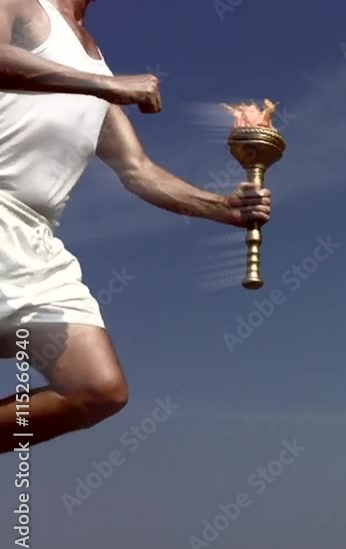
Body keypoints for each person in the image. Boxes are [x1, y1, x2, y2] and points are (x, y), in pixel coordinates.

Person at [0, 0, 272, 452]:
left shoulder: (94, 60)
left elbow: (137, 169)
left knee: (97, 388)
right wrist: (105, 85)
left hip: (36, 239)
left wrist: (222, 207)